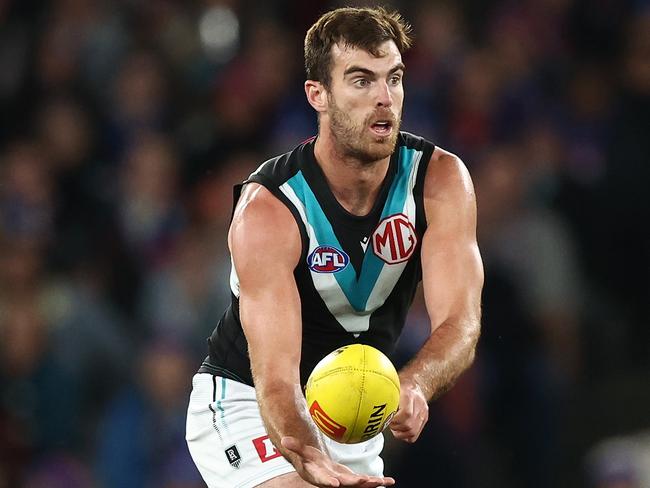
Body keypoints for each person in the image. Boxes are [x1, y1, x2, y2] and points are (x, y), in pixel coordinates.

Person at [185, 6, 483, 488]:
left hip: (354, 415)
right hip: (250, 403)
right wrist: (308, 455)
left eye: (395, 79)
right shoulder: (270, 209)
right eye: (362, 81)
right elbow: (277, 381)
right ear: (317, 95)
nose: (385, 99)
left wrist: (415, 383)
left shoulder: (441, 181)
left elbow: (461, 323)